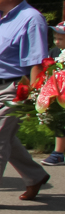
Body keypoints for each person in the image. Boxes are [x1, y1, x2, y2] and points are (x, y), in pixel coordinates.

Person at [0, 0, 50, 205]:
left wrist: (34, 98)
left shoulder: (31, 19)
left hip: (13, 88)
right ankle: (35, 175)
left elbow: (36, 61)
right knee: (3, 137)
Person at [40, 21, 65, 166]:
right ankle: (59, 153)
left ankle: (59, 153)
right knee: (59, 121)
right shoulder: (54, 52)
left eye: (60, 39)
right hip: (58, 93)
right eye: (55, 38)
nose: (56, 41)